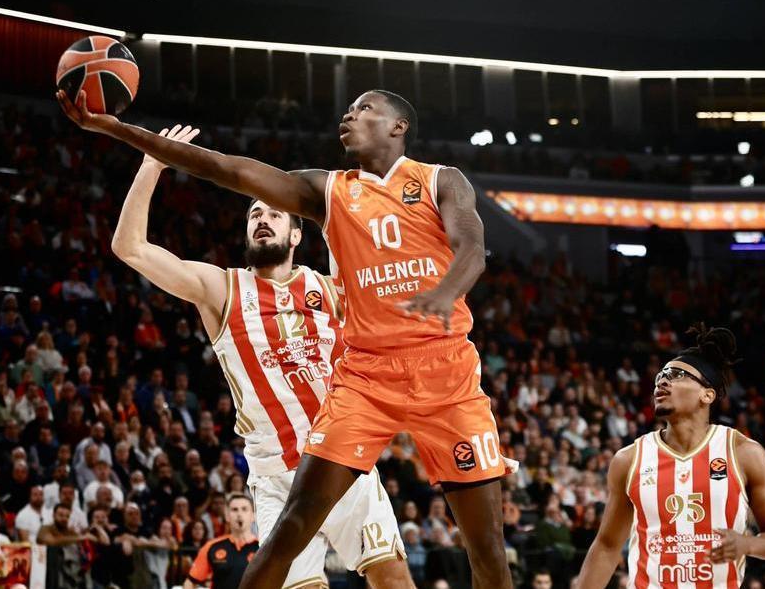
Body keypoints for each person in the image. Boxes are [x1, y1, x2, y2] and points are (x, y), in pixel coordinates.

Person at [61, 85, 515, 589]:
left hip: (438, 376)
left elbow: (472, 249)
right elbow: (226, 170)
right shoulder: (261, 251)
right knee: (286, 546)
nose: (348, 112)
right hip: (324, 418)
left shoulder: (426, 193)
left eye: (364, 107)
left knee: (476, 559)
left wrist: (444, 294)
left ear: (398, 126)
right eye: (254, 213)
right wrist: (126, 134)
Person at [108, 123, 411, 588]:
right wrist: (152, 164)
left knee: (393, 580)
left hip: (342, 458)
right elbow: (129, 247)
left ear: (295, 236)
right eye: (254, 214)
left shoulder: (328, 288)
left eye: (275, 214)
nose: (262, 219)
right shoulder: (221, 289)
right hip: (276, 477)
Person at [575, 324, 765, 587]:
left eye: (677, 374)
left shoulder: (743, 453)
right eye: (661, 375)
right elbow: (607, 548)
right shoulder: (629, 459)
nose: (663, 380)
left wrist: (748, 544)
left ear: (707, 394)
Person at [185, 493, 259, 589]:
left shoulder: (262, 548)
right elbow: (190, 582)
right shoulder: (212, 546)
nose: (239, 514)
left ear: (253, 516)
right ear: (227, 516)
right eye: (234, 510)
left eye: (244, 509)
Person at [38, 503, 110, 589]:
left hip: (75, 573)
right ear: (53, 515)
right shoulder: (45, 528)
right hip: (52, 572)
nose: (64, 519)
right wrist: (81, 537)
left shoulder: (71, 532)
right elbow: (51, 542)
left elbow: (105, 543)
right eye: (61, 515)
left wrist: (98, 527)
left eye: (67, 516)